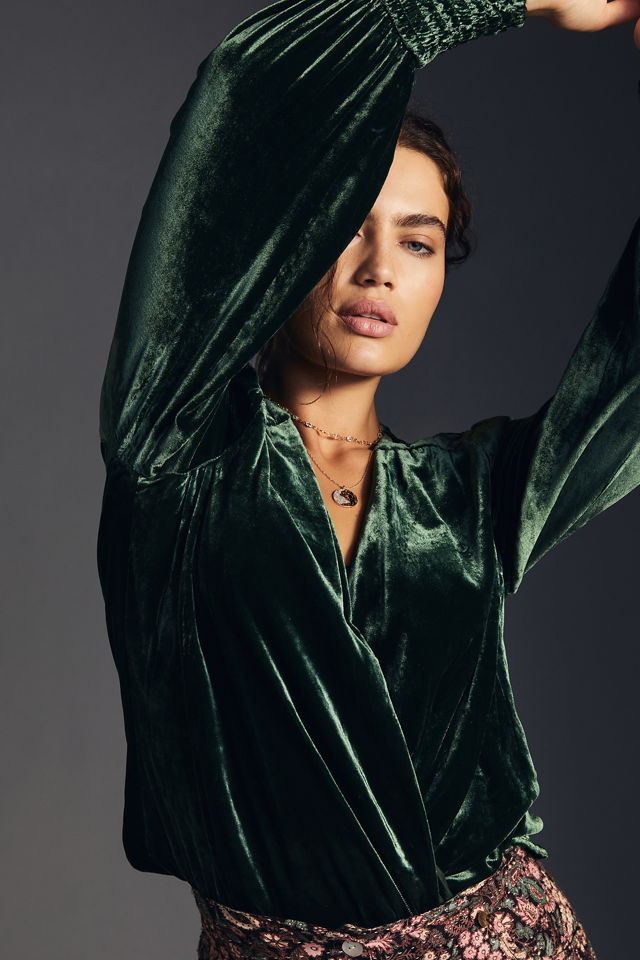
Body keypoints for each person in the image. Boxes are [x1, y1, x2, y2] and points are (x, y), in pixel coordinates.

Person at [96, 0, 640, 956]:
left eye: (418, 241)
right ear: (279, 247)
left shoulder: (472, 499)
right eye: (344, 227)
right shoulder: (176, 451)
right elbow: (240, 90)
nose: (380, 268)